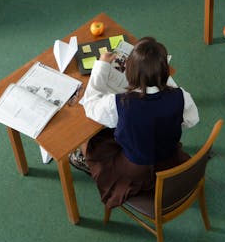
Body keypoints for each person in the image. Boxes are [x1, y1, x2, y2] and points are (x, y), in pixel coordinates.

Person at [72, 36, 199, 208]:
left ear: (129, 71)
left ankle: (83, 161)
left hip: (135, 171)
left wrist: (101, 65)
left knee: (93, 142)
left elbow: (90, 105)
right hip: (170, 160)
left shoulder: (119, 103)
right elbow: (191, 121)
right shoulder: (182, 96)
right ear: (165, 71)